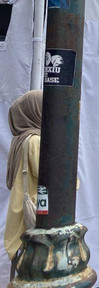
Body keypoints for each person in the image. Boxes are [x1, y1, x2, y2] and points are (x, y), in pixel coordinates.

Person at [4, 90, 42, 280]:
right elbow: (48, 176)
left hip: (18, 211)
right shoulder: (35, 140)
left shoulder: (19, 139)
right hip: (33, 215)